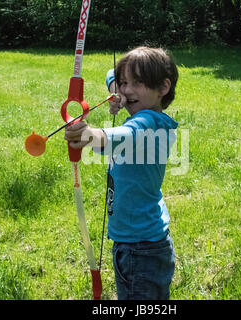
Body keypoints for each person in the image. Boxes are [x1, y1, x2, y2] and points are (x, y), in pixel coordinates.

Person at [64, 46, 179, 300]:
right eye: (125, 83)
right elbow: (111, 74)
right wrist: (116, 89)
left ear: (163, 87)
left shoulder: (149, 123)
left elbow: (123, 136)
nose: (127, 90)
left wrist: (89, 135)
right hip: (138, 241)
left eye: (137, 83)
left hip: (141, 249)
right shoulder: (144, 110)